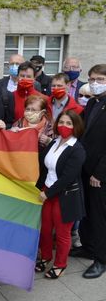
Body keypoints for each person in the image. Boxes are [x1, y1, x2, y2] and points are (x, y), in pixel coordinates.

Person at [35, 110, 86, 279]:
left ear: (76, 126)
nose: (64, 126)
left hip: (64, 197)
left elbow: (67, 178)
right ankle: (45, 257)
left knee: (63, 234)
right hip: (47, 192)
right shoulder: (54, 142)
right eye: (62, 122)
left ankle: (60, 264)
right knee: (46, 230)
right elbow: (43, 167)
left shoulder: (77, 149)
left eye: (69, 123)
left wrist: (47, 193)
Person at [70, 64, 106, 279]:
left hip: (99, 175)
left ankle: (101, 259)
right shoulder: (93, 102)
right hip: (85, 168)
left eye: (100, 79)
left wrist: (100, 174)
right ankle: (88, 247)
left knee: (100, 216)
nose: (94, 83)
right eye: (92, 79)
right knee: (87, 213)